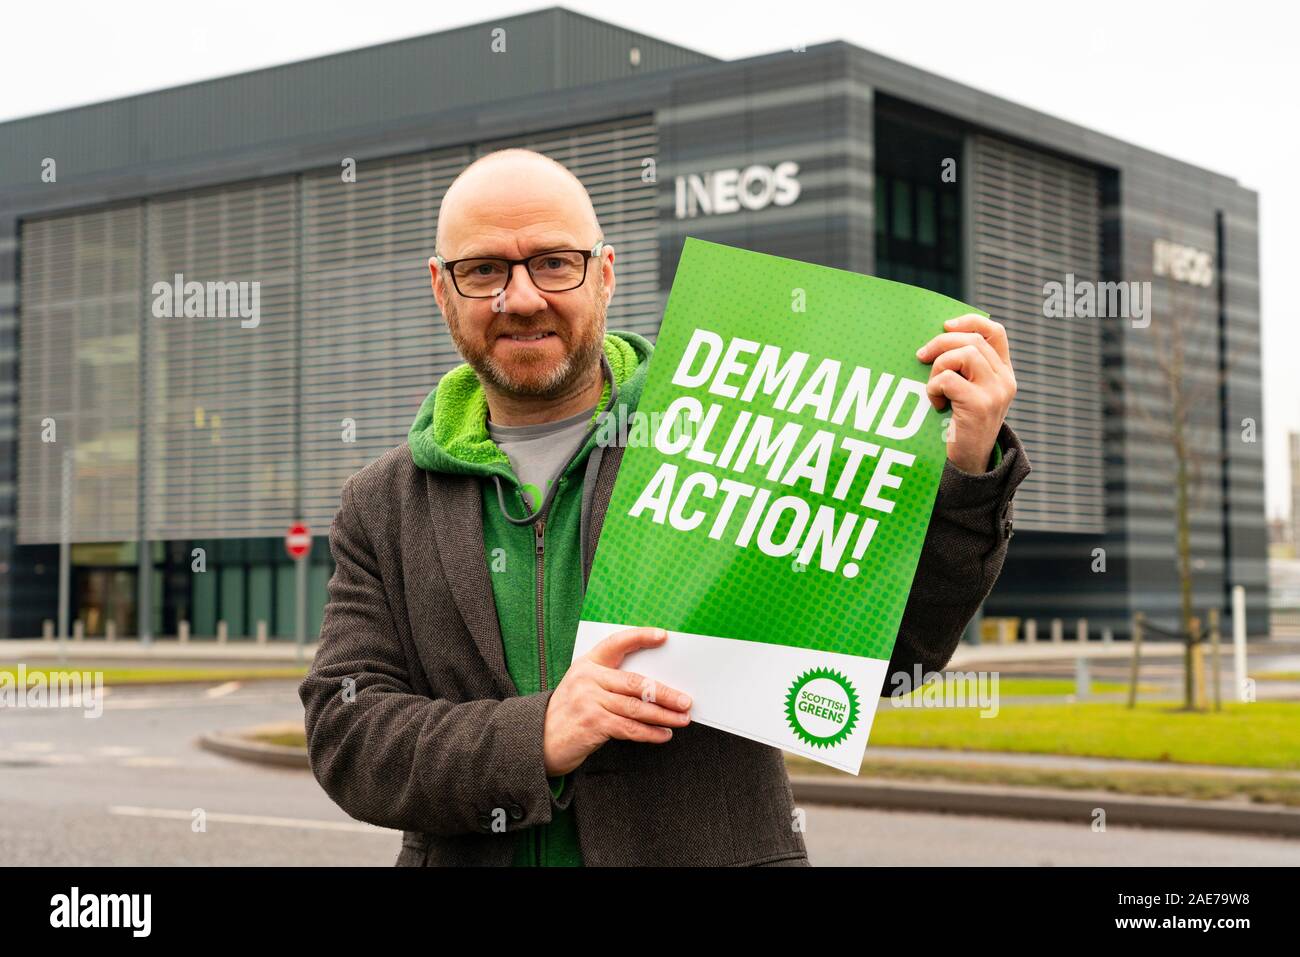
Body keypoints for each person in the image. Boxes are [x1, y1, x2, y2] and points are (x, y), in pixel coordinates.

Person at [298, 148, 1031, 866]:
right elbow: (347, 729)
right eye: (483, 269)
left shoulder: (733, 436)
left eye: (555, 261)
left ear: (605, 273)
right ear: (441, 287)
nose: (520, 297)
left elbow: (892, 652)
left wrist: (964, 468)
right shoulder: (381, 504)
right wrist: (537, 734)